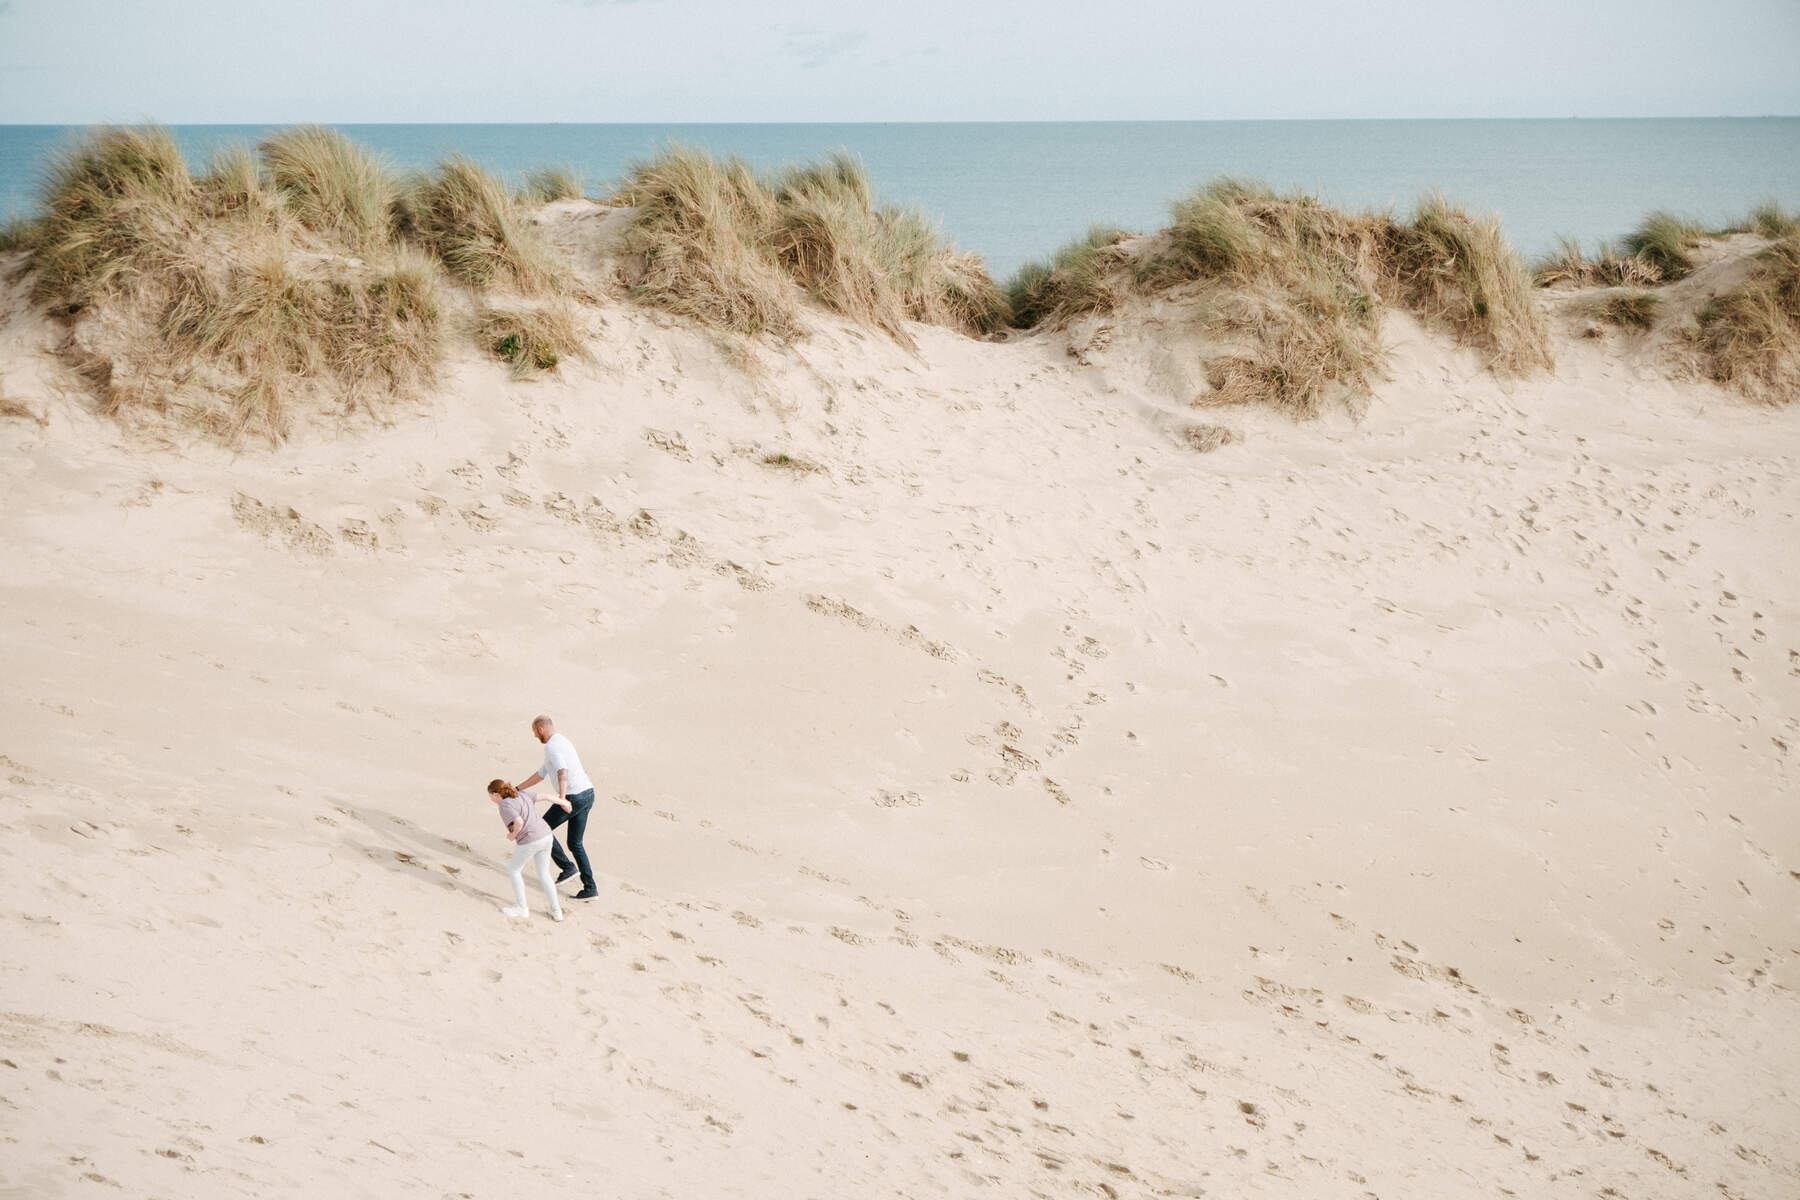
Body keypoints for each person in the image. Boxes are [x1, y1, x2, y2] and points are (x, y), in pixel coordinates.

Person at [515, 715, 599, 900]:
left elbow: (562, 770)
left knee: (541, 829)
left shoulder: (552, 747)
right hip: (587, 793)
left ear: (540, 729)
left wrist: (561, 799)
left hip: (573, 796)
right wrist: (518, 789)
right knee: (575, 843)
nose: (536, 737)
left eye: (535, 733)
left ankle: (567, 868)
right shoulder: (562, 742)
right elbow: (541, 774)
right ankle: (590, 888)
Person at [487, 779, 568, 922]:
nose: (491, 799)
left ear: (496, 794)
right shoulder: (520, 794)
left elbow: (518, 822)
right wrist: (564, 802)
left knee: (514, 870)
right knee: (544, 874)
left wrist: (512, 836)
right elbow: (546, 797)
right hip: (546, 835)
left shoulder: (504, 805)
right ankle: (556, 911)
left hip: (530, 839)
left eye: (491, 796)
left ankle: (521, 907)